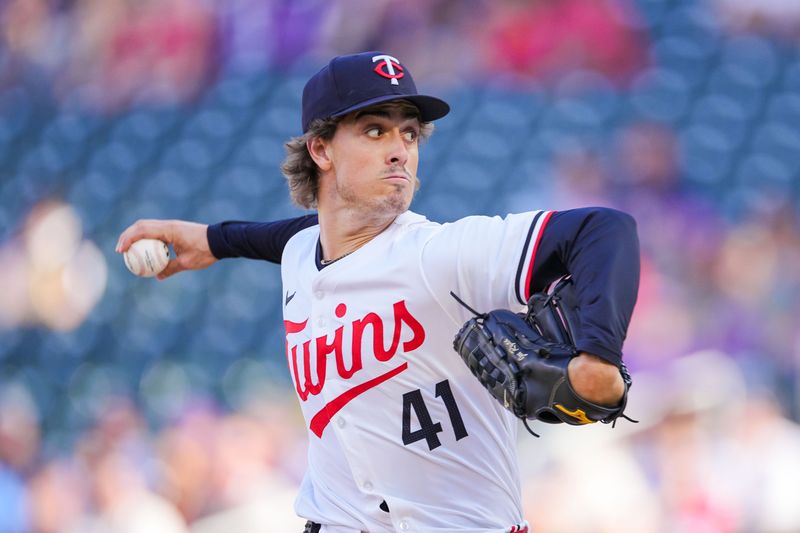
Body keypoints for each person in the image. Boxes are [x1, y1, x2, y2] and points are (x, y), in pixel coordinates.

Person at [117, 51, 640, 533]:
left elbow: (604, 230)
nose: (399, 151)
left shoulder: (440, 254)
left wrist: (598, 357)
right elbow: (283, 239)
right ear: (320, 148)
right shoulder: (303, 251)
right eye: (374, 131)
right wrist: (211, 240)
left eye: (409, 134)